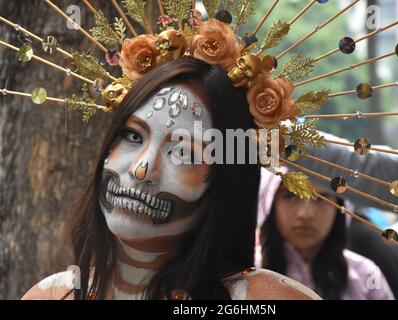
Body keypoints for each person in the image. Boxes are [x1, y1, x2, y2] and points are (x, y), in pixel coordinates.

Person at [21, 57, 320, 300]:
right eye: (132, 135)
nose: (141, 170)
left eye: (183, 153)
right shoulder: (50, 295)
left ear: (225, 179)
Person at [258, 168, 394, 299]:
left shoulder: (366, 276)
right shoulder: (248, 274)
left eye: (321, 198)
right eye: (290, 196)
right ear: (270, 202)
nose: (306, 214)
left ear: (340, 207)